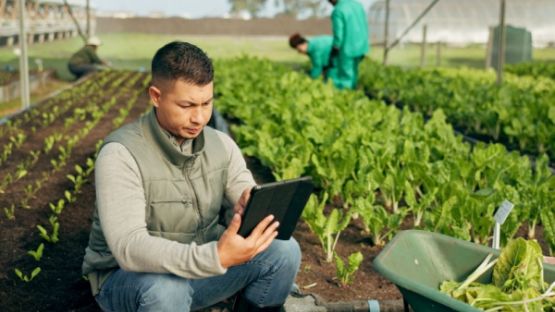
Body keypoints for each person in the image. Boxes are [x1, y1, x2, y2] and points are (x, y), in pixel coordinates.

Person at [81, 41, 301, 312]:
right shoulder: (121, 154)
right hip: (132, 282)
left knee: (284, 250)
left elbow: (241, 184)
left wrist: (248, 199)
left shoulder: (221, 143)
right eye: (186, 105)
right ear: (156, 96)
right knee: (166, 289)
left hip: (200, 269)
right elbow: (129, 248)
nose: (199, 117)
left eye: (207, 103)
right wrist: (215, 256)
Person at [326, 0, 369, 90]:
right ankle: (353, 92)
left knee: (345, 75)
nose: (330, 3)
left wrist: (335, 48)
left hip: (348, 47)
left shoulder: (338, 10)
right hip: (361, 46)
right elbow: (364, 24)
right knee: (354, 72)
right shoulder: (357, 5)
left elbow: (338, 34)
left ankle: (345, 96)